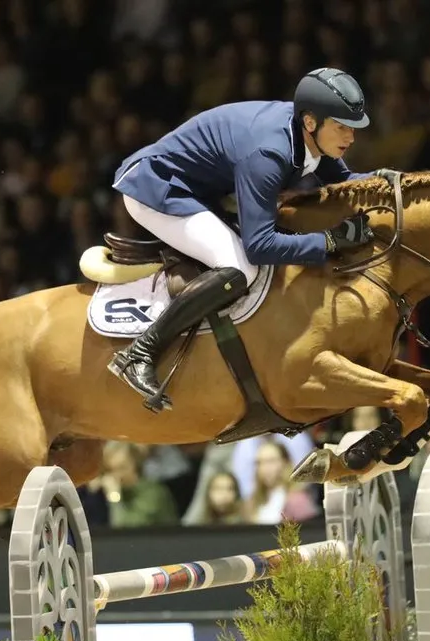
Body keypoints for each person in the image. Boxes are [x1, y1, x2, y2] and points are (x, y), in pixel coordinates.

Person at [107, 67, 392, 409]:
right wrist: (329, 241)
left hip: (199, 190)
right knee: (240, 268)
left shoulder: (306, 134)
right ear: (311, 122)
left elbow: (343, 182)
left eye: (353, 127)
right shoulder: (268, 153)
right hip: (158, 188)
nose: (352, 137)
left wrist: (383, 182)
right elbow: (260, 246)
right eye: (342, 127)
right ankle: (139, 353)